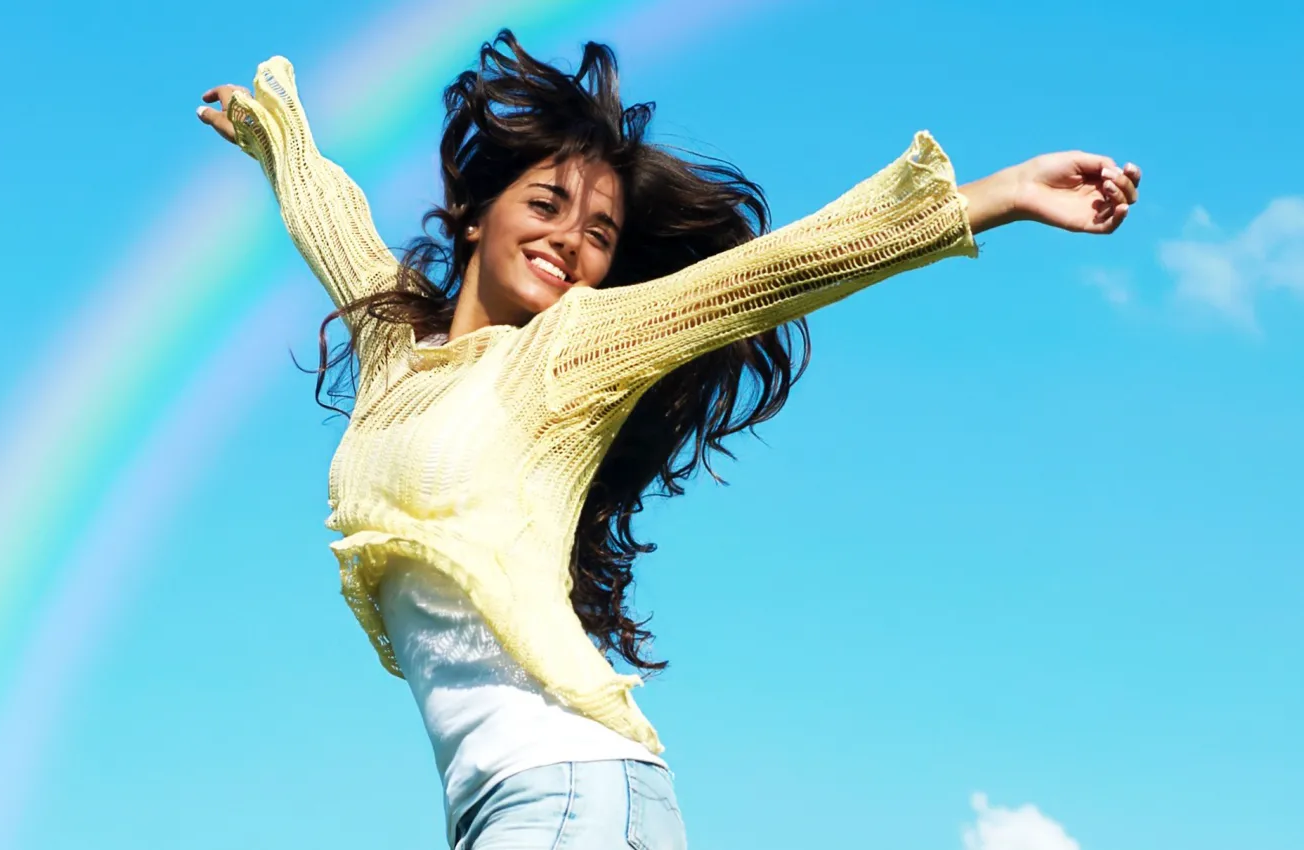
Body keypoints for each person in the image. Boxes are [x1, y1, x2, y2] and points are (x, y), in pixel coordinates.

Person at [196, 30, 1140, 850]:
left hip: (562, 793)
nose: (571, 240)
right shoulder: (395, 347)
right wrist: (272, 137)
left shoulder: (573, 349)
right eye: (546, 204)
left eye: (600, 231)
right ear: (478, 214)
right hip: (533, 804)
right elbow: (336, 227)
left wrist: (1002, 193)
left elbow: (770, 275)